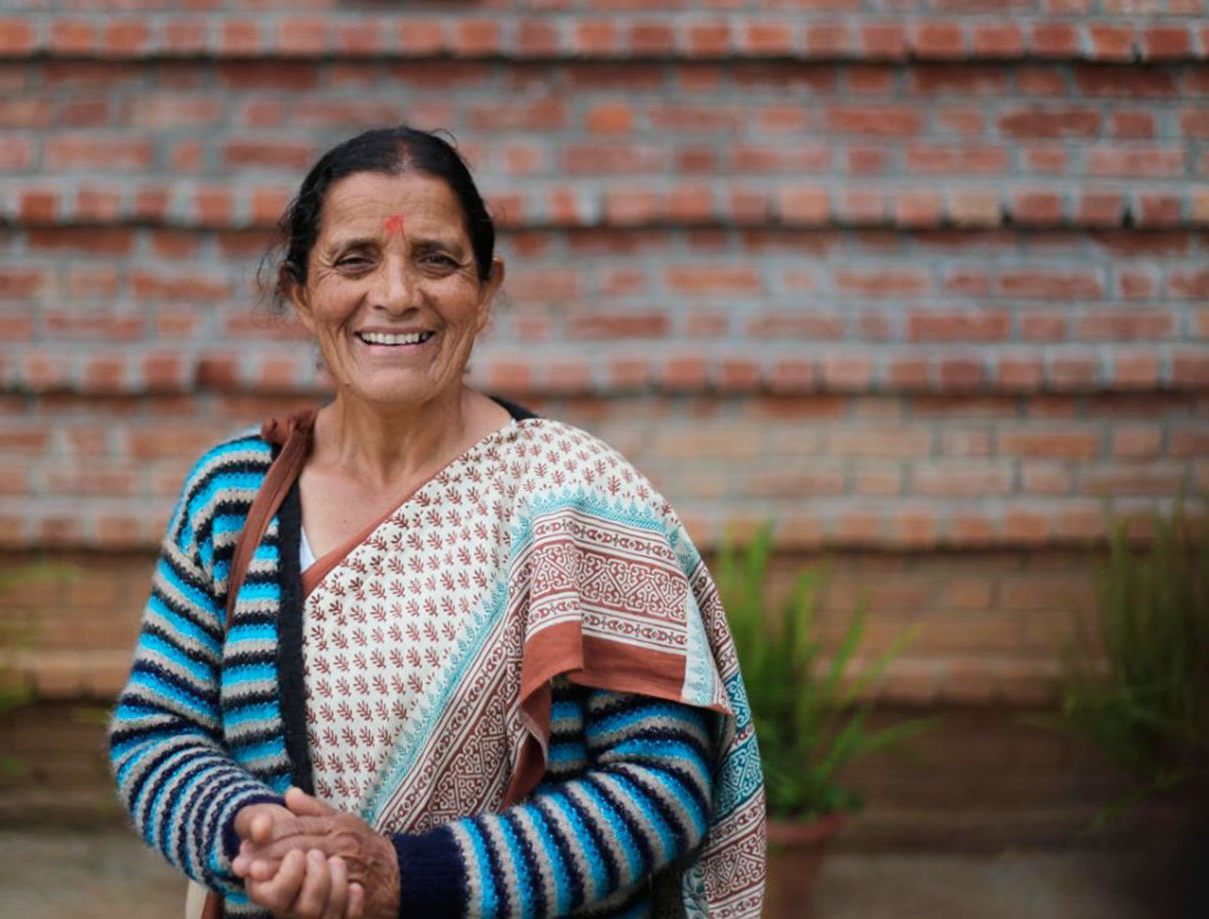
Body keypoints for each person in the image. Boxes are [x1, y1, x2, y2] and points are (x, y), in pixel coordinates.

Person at [108, 126, 765, 919]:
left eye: (436, 260)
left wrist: (404, 876)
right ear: (299, 293)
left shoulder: (578, 498)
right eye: (355, 260)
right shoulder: (232, 497)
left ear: (485, 291)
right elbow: (158, 730)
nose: (394, 294)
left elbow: (661, 783)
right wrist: (253, 833)